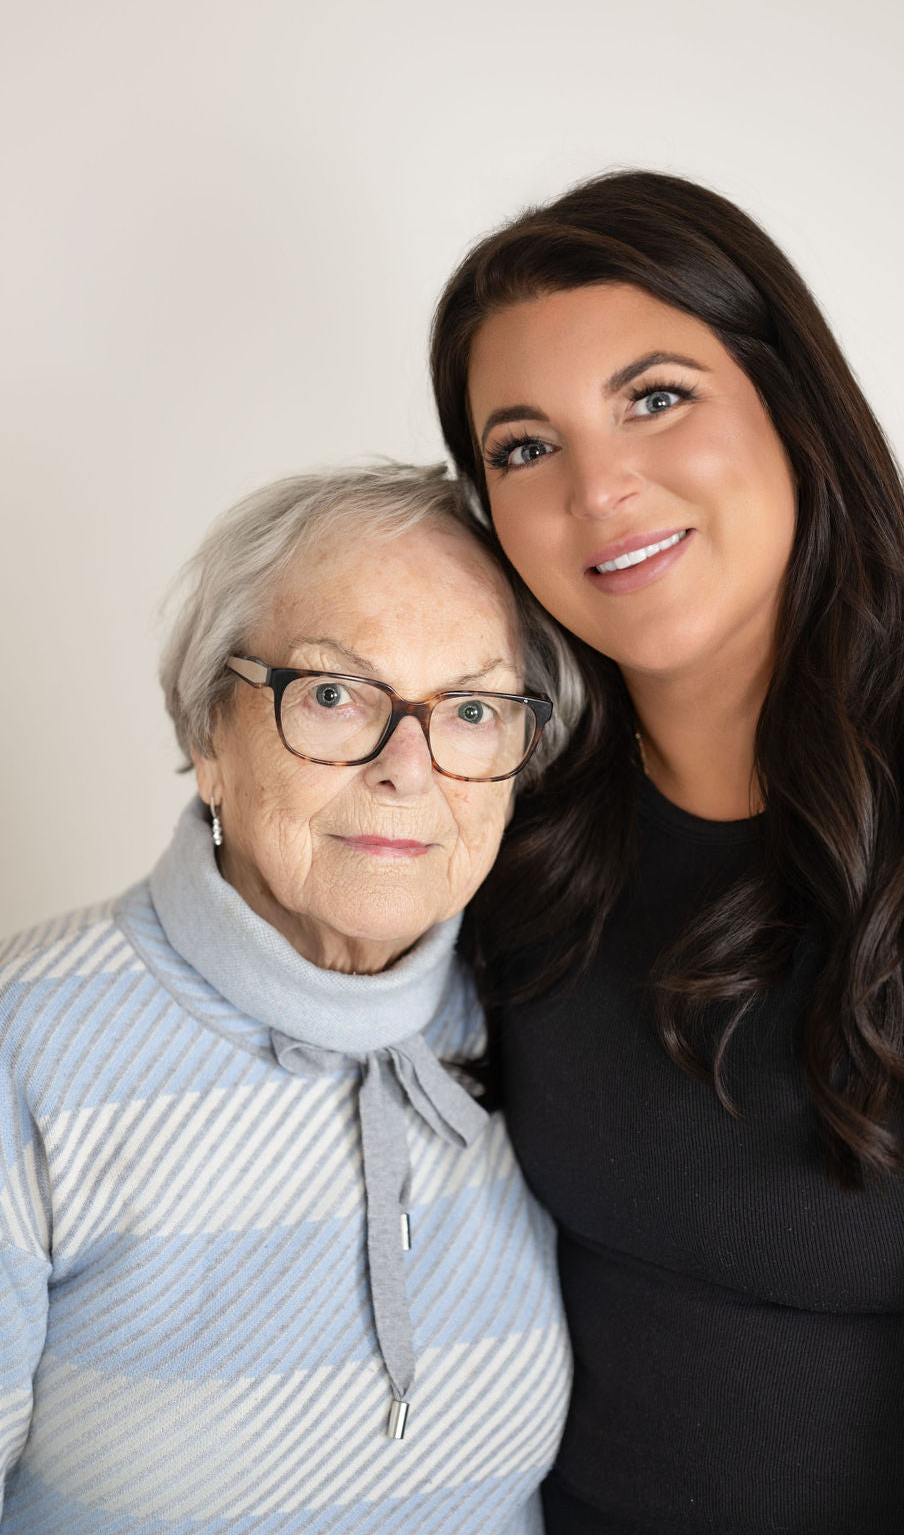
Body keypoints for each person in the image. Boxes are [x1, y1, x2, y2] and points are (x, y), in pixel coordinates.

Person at [429, 171, 904, 1534]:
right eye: (525, 448)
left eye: (656, 397)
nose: (600, 488)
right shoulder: (512, 806)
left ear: (792, 403)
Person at [0, 462, 582, 1533]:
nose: (408, 767)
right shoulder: (26, 1047)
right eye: (331, 693)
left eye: (469, 708)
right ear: (207, 736)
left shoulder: (543, 1002)